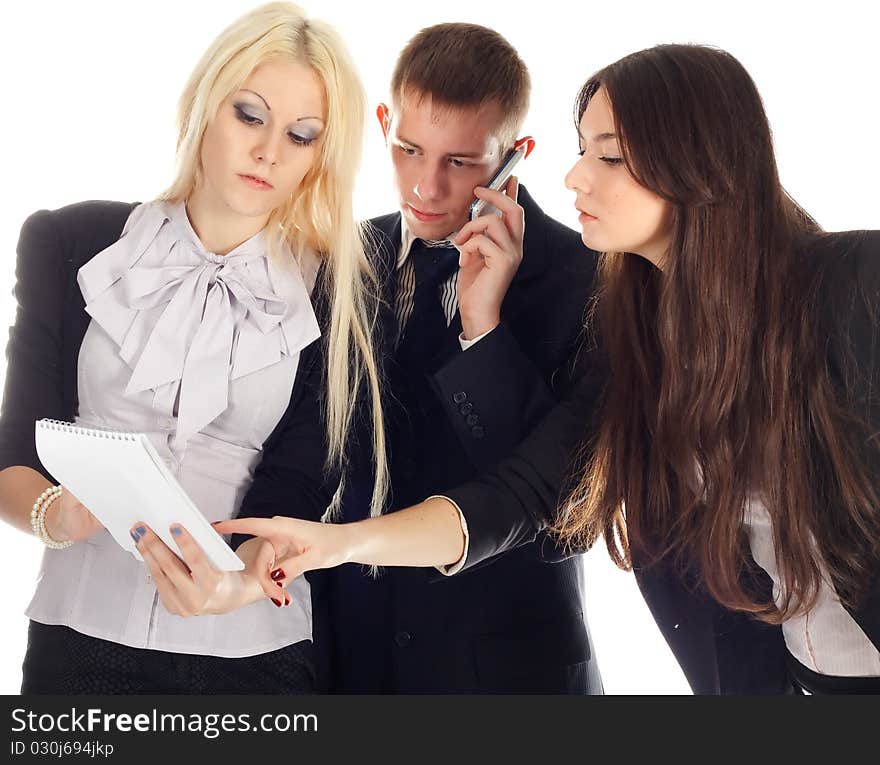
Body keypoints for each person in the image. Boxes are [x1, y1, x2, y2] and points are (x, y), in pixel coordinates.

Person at [218, 43, 880, 694]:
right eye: (585, 149)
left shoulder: (854, 286)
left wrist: (485, 331)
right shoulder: (646, 338)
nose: (575, 179)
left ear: (699, 162)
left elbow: (562, 518)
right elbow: (528, 489)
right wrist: (335, 544)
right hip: (796, 680)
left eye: (610, 155)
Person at [0, 1, 387, 694]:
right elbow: (15, 456)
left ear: (319, 157)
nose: (269, 150)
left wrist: (237, 580)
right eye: (250, 115)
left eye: (301, 135)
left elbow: (301, 483)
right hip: (77, 640)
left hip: (251, 654)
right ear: (206, 104)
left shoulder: (338, 291)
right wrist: (55, 514)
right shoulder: (70, 244)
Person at [318, 23, 602, 694]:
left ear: (516, 154)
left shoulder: (590, 280)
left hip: (509, 673)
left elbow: (563, 512)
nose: (426, 187)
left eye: (461, 162)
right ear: (384, 124)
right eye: (409, 150)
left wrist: (484, 327)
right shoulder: (341, 258)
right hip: (354, 660)